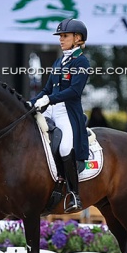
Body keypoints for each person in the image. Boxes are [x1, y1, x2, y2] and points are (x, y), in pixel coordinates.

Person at [30, 18, 90, 213]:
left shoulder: (82, 61)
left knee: (65, 148)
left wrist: (49, 100)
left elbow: (74, 91)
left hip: (67, 112)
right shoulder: (58, 61)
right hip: (51, 108)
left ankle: (74, 194)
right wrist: (30, 103)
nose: (61, 40)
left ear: (78, 38)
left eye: (65, 36)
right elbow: (47, 89)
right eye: (60, 36)